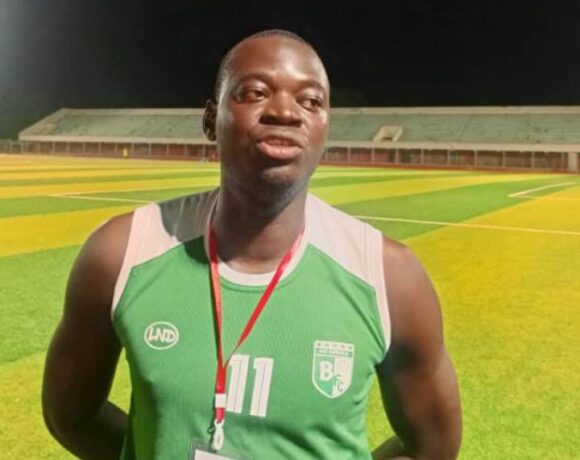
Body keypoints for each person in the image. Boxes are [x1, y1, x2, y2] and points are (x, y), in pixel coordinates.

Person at [42, 29, 461, 459]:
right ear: (210, 120)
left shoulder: (390, 277)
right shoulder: (122, 252)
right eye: (255, 92)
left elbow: (433, 447)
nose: (285, 111)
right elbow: (70, 415)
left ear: (325, 127)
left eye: (311, 101)